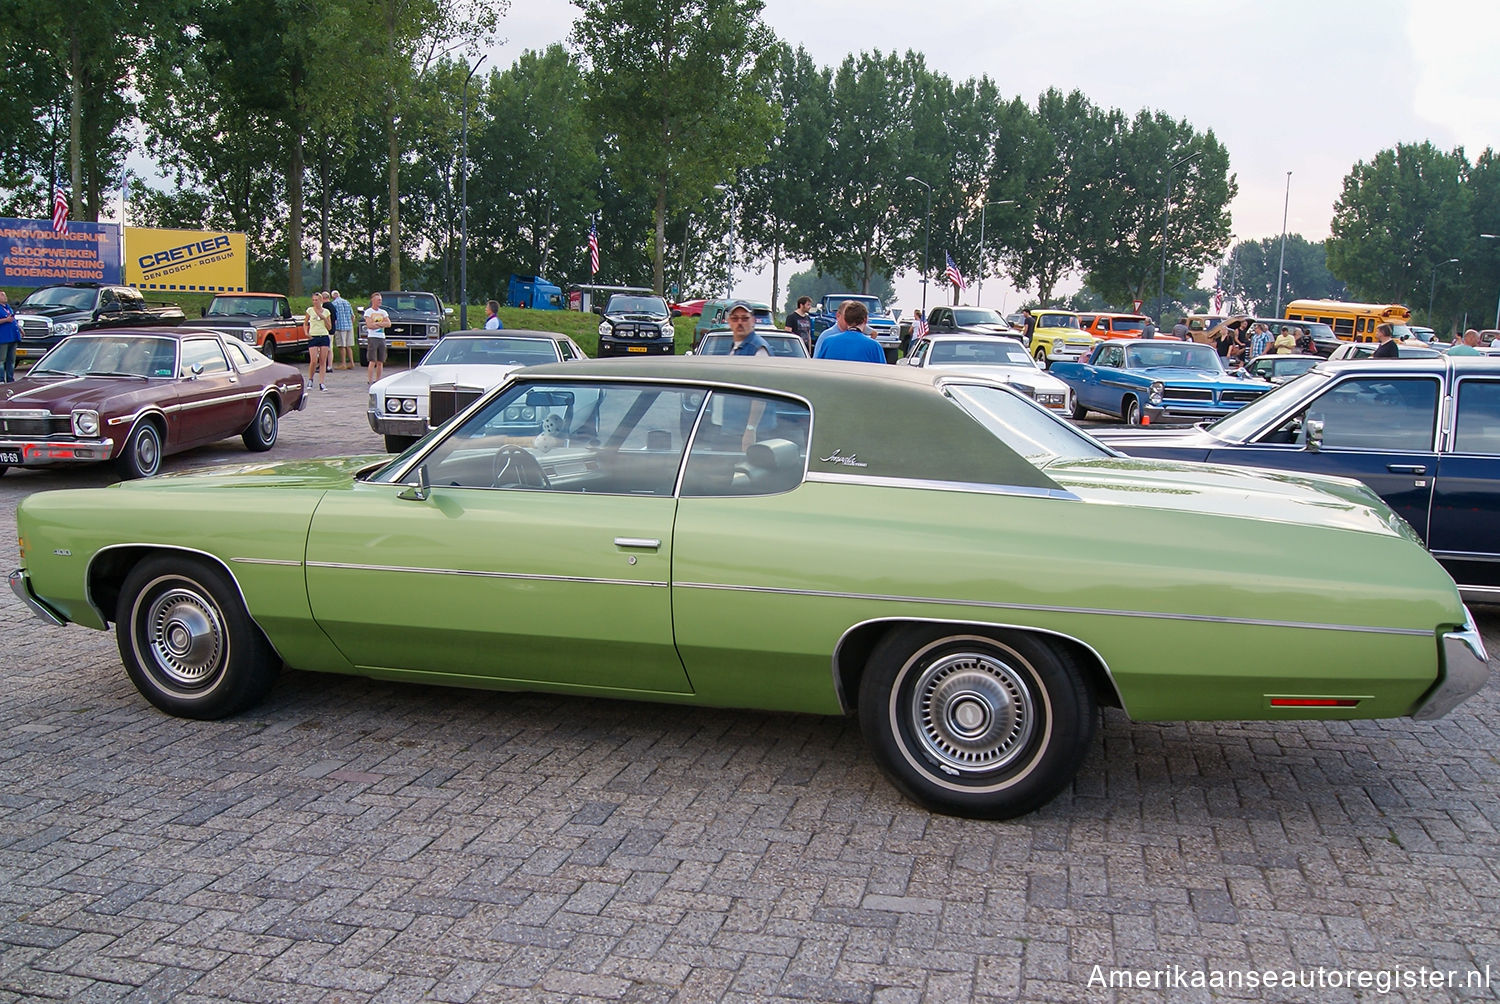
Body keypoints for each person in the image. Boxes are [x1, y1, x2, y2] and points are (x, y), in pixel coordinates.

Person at [814, 300, 885, 363]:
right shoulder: (874, 346)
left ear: (846, 318)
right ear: (866, 319)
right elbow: (882, 373)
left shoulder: (828, 341)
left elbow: (818, 366)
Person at [306, 292, 333, 391]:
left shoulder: (326, 311)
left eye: (316, 300)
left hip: (324, 335)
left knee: (323, 360)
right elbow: (305, 323)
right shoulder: (310, 310)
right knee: (313, 360)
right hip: (313, 336)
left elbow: (329, 327)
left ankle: (321, 382)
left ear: (321, 301)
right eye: (313, 300)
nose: (315, 302)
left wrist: (324, 318)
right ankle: (310, 379)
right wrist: (306, 332)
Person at [364, 292, 392, 383]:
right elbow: (369, 325)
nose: (380, 301)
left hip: (381, 337)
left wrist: (376, 324)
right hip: (373, 337)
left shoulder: (383, 312)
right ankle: (370, 379)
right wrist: (380, 324)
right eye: (378, 300)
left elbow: (388, 323)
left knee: (380, 361)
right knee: (372, 360)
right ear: (373, 300)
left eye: (380, 300)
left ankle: (378, 379)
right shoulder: (369, 312)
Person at [328, 290, 356, 370]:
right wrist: (350, 323)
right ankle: (352, 363)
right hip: (349, 326)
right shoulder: (347, 302)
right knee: (348, 346)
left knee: (341, 346)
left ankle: (343, 364)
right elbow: (353, 316)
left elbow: (334, 317)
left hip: (340, 327)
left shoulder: (334, 304)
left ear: (333, 296)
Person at [0, 290, 19, 383]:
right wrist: (6, 320)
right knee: (1, 360)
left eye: (5, 295)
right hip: (3, 338)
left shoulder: (8, 308)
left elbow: (13, 320)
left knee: (11, 360)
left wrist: (19, 329)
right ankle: (1, 379)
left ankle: (10, 378)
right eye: (2, 295)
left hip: (13, 337)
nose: (5, 297)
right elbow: (8, 319)